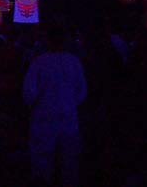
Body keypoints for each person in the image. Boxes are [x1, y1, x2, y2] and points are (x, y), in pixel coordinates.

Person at [23, 25, 87, 187]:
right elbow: (82, 91)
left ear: (47, 40)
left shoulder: (39, 62)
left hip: (44, 116)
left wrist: (36, 106)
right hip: (68, 116)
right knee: (69, 161)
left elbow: (29, 92)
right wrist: (68, 103)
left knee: (43, 160)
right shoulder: (74, 62)